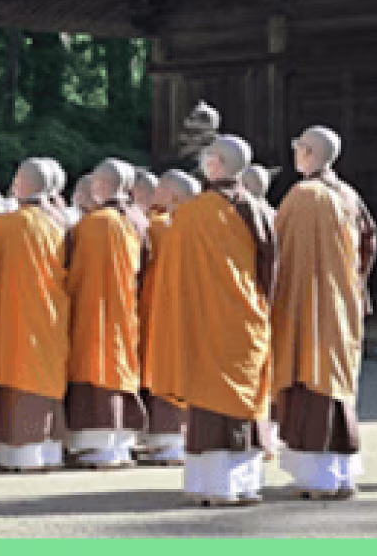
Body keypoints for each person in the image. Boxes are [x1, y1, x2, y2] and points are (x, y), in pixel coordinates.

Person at [154, 135, 277, 506]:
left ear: (216, 164)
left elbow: (173, 277)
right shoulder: (256, 208)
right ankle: (244, 484)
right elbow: (270, 267)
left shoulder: (190, 214)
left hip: (204, 320)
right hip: (247, 319)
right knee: (245, 400)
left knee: (209, 399)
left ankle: (210, 485)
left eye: (208, 158)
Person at [271, 126, 377, 500]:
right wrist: (355, 285)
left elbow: (276, 250)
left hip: (308, 302)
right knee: (335, 381)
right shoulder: (348, 194)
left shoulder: (303, 196)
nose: (295, 154)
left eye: (298, 148)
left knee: (310, 379)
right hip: (342, 301)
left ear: (309, 153)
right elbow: (369, 243)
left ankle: (318, 475)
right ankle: (341, 472)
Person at [0, 158, 71, 472]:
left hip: (15, 316)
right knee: (46, 376)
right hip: (52, 314)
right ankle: (51, 450)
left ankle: (20, 453)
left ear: (20, 184)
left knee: (19, 373)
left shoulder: (3, 225)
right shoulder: (62, 224)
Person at [64, 158, 149, 469]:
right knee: (120, 366)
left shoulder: (95, 224)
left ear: (102, 186)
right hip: (127, 306)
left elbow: (72, 269)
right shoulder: (139, 219)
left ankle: (100, 444)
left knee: (97, 367)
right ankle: (121, 443)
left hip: (94, 307)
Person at [135, 170, 202, 467]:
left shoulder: (170, 228)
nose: (154, 193)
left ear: (174, 194)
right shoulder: (175, 226)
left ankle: (173, 439)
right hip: (171, 310)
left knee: (173, 371)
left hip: (177, 311)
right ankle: (173, 439)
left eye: (160, 188)